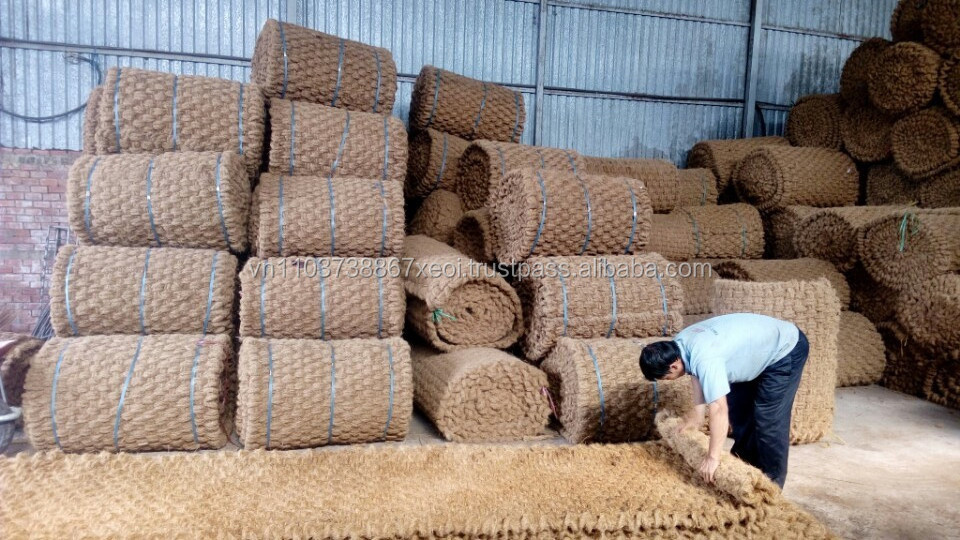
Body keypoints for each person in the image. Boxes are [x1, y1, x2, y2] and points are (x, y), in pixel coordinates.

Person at [638, 313, 809, 488]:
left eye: (666, 377)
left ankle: (771, 487)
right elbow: (696, 372)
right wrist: (697, 415)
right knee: (740, 411)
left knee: (768, 420)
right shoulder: (679, 344)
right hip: (753, 350)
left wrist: (713, 457)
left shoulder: (706, 358)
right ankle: (742, 470)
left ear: (674, 366)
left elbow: (719, 409)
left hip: (785, 348)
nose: (668, 380)